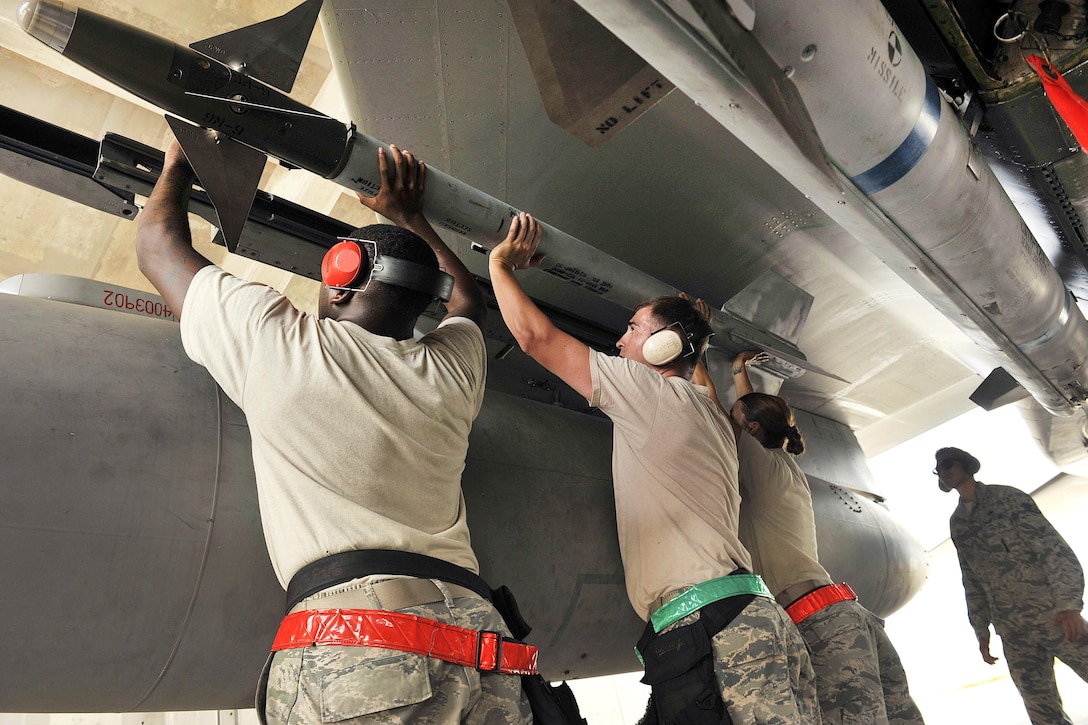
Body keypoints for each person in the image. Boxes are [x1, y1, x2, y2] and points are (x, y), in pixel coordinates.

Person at [135, 137, 532, 724]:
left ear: (339, 276)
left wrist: (177, 163)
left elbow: (157, 247)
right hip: (479, 643)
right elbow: (467, 299)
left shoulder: (282, 344)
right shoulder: (451, 368)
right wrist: (409, 217)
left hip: (364, 640)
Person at [487, 223, 820, 723]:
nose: (620, 343)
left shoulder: (650, 395)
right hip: (728, 624)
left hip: (709, 629)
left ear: (665, 347)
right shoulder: (707, 411)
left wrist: (499, 264)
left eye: (633, 329)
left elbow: (537, 338)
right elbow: (698, 381)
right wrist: (698, 343)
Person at [716, 350, 924, 724]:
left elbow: (722, 414)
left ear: (750, 430)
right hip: (842, 616)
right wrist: (738, 371)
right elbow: (750, 417)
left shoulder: (760, 466)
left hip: (818, 626)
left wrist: (692, 352)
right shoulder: (783, 463)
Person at [935, 446, 1088, 725]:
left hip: (1053, 616)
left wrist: (1070, 605)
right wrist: (981, 629)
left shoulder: (1007, 498)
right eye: (939, 469)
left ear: (966, 465)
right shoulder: (958, 523)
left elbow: (1052, 549)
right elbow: (971, 579)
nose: (943, 472)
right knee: (1041, 708)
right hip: (1013, 631)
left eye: (947, 465)